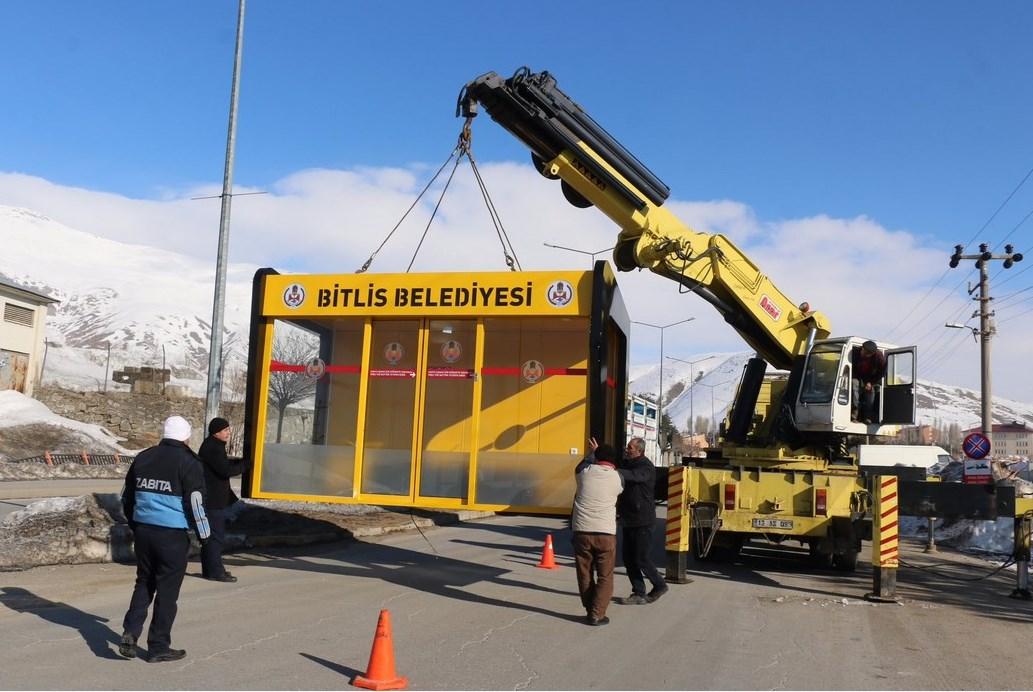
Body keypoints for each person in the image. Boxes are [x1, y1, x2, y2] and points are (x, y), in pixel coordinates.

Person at [119, 415, 211, 663]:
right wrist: (204, 536)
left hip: (144, 530)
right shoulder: (189, 462)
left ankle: (130, 632)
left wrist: (136, 524)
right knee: (167, 592)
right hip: (172, 534)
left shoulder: (143, 457)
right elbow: (195, 502)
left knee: (144, 582)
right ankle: (158, 646)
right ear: (186, 437)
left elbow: (127, 497)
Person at [571, 438, 624, 626]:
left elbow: (580, 466)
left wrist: (592, 453)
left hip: (582, 531)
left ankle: (589, 609)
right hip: (605, 533)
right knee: (605, 575)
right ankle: (597, 614)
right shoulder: (618, 478)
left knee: (584, 572)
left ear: (596, 458)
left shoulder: (583, 473)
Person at [616, 436, 668, 605]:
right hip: (629, 519)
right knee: (628, 558)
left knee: (641, 558)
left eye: (630, 448)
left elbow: (635, 477)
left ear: (639, 451)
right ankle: (638, 592)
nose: (627, 450)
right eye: (627, 446)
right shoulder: (627, 464)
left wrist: (614, 471)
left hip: (643, 521)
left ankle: (659, 585)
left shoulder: (645, 466)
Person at [198, 417, 243, 583]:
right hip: (213, 500)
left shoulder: (214, 445)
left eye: (228, 430)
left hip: (213, 498)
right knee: (215, 536)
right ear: (216, 432)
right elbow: (224, 470)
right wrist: (245, 465)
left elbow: (222, 465)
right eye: (225, 430)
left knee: (210, 536)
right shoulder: (213, 448)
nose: (228, 433)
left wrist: (238, 462)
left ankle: (210, 569)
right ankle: (216, 571)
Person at [851, 340, 886, 424]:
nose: (863, 353)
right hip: (857, 375)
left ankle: (868, 417)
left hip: (871, 378)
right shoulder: (855, 352)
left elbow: (882, 373)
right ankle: (854, 415)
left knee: (871, 393)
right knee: (854, 385)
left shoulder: (879, 357)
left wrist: (871, 382)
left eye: (866, 353)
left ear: (872, 354)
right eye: (863, 350)